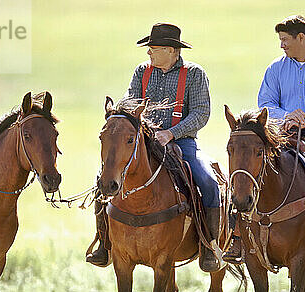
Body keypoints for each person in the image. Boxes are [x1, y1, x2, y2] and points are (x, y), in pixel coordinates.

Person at [86, 23, 222, 272]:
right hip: (144, 143)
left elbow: (201, 113)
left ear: (172, 50)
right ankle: (104, 244)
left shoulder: (194, 74)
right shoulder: (141, 71)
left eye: (154, 48)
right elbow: (130, 101)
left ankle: (209, 245)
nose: (148, 53)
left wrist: (171, 133)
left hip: (182, 142)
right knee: (103, 179)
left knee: (208, 182)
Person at [225, 15, 305, 274]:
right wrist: (287, 117)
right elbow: (266, 104)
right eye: (280, 40)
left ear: (301, 38)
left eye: (285, 40)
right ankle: (236, 236)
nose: (281, 45)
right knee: (247, 170)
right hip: (281, 134)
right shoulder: (275, 69)